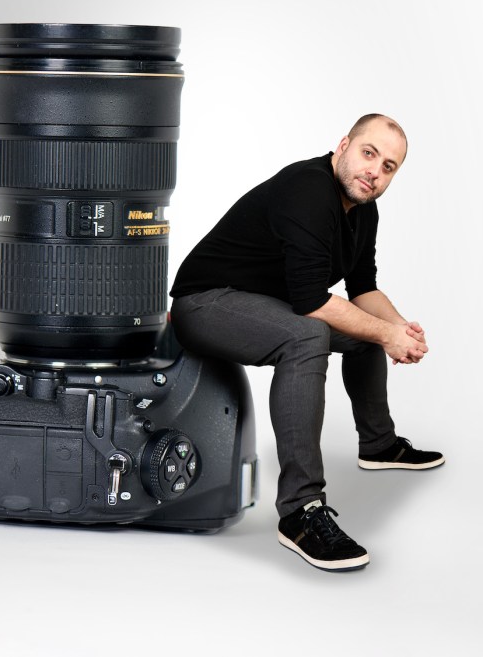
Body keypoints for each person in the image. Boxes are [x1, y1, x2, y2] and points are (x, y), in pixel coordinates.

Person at [169, 114, 444, 572]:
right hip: (205, 303)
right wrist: (386, 334)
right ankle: (300, 512)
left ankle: (379, 446)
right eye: (369, 153)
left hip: (265, 303)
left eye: (389, 166)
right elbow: (313, 302)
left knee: (361, 331)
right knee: (309, 333)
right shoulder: (309, 189)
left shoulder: (363, 208)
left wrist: (400, 328)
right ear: (344, 145)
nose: (375, 171)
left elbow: (363, 289)